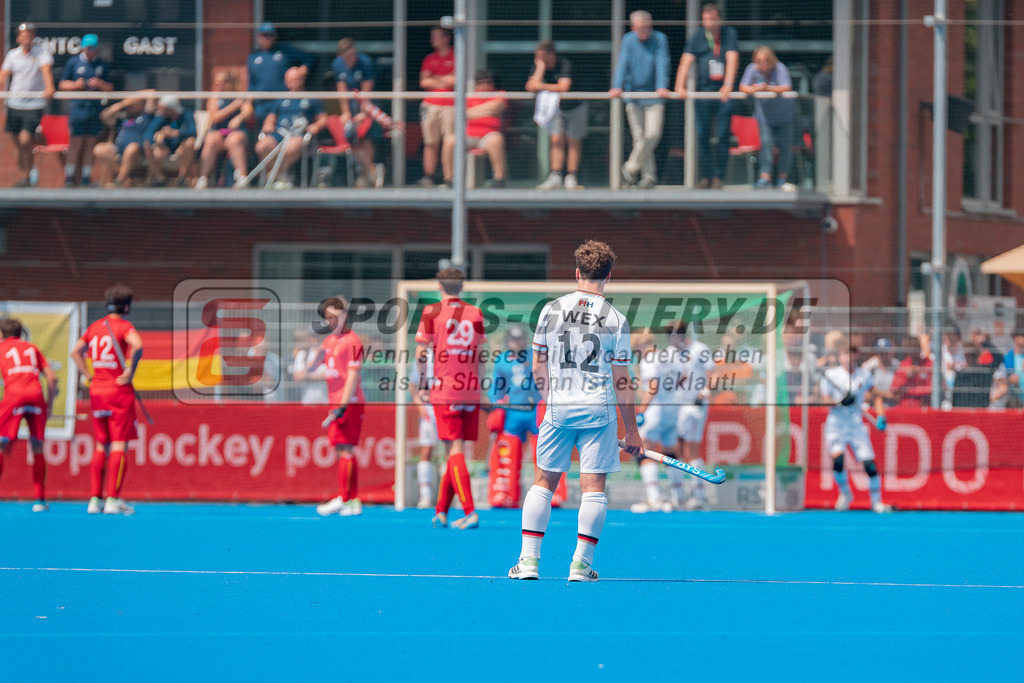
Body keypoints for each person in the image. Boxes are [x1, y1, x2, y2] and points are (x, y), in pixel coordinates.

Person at [509, 241, 643, 582]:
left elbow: (538, 362)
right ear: (608, 276)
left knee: (543, 483)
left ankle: (528, 562)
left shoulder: (551, 309)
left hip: (559, 407)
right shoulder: (616, 318)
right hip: (598, 410)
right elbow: (622, 379)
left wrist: (549, 397)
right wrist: (632, 431)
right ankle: (581, 565)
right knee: (593, 488)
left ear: (577, 273)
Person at [415, 267, 486, 529]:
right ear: (463, 286)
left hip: (445, 388)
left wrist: (423, 383)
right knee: (453, 452)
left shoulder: (431, 311)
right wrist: (481, 388)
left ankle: (469, 511)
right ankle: (441, 510)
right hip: (470, 387)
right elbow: (480, 356)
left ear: (439, 285)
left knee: (453, 450)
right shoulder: (475, 312)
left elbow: (421, 353)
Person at [70, 283, 143, 515]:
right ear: (127, 306)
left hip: (97, 392)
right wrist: (131, 370)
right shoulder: (124, 326)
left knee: (101, 444)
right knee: (120, 444)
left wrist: (89, 376)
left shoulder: (94, 327)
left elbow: (75, 352)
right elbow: (139, 345)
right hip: (118, 392)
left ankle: (94, 500)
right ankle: (113, 499)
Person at [295, 297, 365, 516]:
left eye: (335, 316)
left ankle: (345, 498)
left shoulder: (353, 341)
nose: (331, 321)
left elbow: (353, 375)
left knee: (346, 448)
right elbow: (308, 369)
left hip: (348, 403)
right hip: (335, 401)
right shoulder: (329, 342)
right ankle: (351, 500)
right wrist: (312, 350)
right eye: (328, 317)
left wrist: (343, 405)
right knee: (341, 449)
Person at [674, 3, 738, 189]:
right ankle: (706, 175)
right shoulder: (697, 35)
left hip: (723, 95)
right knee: (701, 135)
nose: (709, 22)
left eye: (712, 18)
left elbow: (732, 59)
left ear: (719, 18)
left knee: (722, 135)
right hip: (702, 94)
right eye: (705, 18)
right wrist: (680, 85)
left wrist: (727, 85)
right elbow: (686, 60)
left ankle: (719, 176)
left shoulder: (729, 34)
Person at [819, 348, 891, 513]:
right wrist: (840, 402)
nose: (847, 358)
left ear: (856, 356)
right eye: (844, 354)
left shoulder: (864, 375)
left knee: (869, 465)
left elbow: (875, 395)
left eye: (851, 354)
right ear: (840, 356)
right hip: (836, 425)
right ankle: (845, 494)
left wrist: (880, 414)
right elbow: (825, 400)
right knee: (838, 462)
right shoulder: (831, 375)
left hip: (856, 426)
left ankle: (876, 502)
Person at [0, 318, 58, 512]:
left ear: (2, 334)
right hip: (35, 394)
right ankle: (40, 500)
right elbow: (52, 377)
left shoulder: (1, 348)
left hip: (13, 395)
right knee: (37, 447)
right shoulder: (32, 347)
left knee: (1, 444)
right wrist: (49, 405)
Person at [609, 10, 671, 189]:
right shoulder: (628, 39)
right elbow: (623, 62)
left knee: (652, 135)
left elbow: (662, 61)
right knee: (639, 138)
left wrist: (662, 85)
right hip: (633, 96)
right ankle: (649, 176)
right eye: (640, 28)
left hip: (654, 97)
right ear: (633, 27)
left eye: (647, 27)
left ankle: (631, 165)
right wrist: (617, 85)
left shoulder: (660, 39)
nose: (644, 30)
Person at [0, 23, 55, 187]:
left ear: (33, 37)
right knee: (17, 143)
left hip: (33, 105)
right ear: (18, 38)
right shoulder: (12, 55)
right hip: (14, 104)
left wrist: (50, 87)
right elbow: (3, 74)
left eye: (29, 35)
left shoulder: (42, 52)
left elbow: (46, 71)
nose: (26, 38)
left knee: (25, 140)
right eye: (23, 35)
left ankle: (29, 174)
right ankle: (25, 176)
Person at [253, 66, 326, 189]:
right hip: (279, 134)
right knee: (262, 146)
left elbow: (323, 118)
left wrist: (316, 126)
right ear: (286, 82)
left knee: (294, 145)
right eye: (292, 79)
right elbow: (271, 117)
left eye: (298, 78)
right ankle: (282, 175)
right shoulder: (281, 99)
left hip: (299, 135)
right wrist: (268, 124)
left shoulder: (312, 98)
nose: (296, 82)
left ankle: (275, 173)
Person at [528, 40, 587, 190]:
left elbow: (564, 87)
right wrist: (540, 68)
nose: (539, 60)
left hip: (575, 106)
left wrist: (540, 86)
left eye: (542, 57)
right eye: (538, 57)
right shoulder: (539, 66)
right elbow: (530, 87)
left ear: (551, 55)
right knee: (556, 139)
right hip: (555, 108)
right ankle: (555, 175)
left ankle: (571, 176)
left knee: (573, 141)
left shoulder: (564, 63)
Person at [630, 329, 678, 513]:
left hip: (656, 411)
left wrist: (641, 410)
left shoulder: (648, 360)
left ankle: (654, 498)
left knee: (643, 450)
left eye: (636, 349)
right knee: (671, 453)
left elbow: (652, 388)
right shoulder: (665, 357)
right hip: (671, 410)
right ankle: (678, 498)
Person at [738, 45, 796, 190]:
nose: (762, 64)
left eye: (765, 61)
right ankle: (765, 179)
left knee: (785, 147)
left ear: (771, 60)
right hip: (764, 118)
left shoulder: (780, 68)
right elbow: (742, 87)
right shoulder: (752, 68)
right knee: (766, 146)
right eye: (758, 61)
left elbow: (786, 86)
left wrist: (768, 88)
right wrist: (755, 89)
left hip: (784, 116)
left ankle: (782, 179)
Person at [58, 34, 113, 187]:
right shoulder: (73, 62)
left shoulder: (102, 64)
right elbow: (62, 85)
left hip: (94, 110)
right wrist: (76, 85)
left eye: (93, 48)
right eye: (88, 48)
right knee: (75, 143)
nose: (90, 51)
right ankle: (69, 177)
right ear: (83, 48)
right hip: (78, 109)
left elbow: (110, 88)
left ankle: (86, 178)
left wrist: (100, 83)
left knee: (90, 143)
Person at [333, 38, 384, 189]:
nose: (351, 59)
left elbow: (366, 90)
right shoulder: (337, 64)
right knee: (353, 140)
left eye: (353, 55)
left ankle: (364, 175)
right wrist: (345, 112)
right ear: (341, 56)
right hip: (351, 104)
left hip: (367, 104)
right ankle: (371, 172)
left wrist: (363, 113)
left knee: (365, 139)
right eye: (347, 56)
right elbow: (341, 89)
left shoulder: (365, 62)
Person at [443, 70, 508, 188]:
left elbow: (497, 106)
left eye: (488, 82)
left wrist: (474, 111)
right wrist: (488, 111)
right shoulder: (469, 96)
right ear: (476, 84)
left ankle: (499, 179)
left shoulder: (499, 94)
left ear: (493, 84)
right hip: (468, 136)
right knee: (449, 140)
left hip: (488, 136)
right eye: (481, 83)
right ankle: (449, 180)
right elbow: (463, 114)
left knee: (496, 140)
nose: (484, 85)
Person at [246, 23, 313, 125]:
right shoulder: (253, 57)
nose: (267, 38)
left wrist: (304, 69)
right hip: (261, 103)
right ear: (258, 37)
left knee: (283, 128)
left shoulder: (285, 52)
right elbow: (252, 83)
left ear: (275, 36)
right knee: (262, 130)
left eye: (270, 35)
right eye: (264, 35)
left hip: (282, 101)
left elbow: (309, 57)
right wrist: (248, 102)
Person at [196, 69, 252, 190]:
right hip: (219, 134)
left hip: (236, 133)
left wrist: (239, 117)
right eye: (215, 83)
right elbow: (215, 117)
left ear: (229, 84)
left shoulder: (240, 96)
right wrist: (234, 106)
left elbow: (248, 111)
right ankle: (203, 179)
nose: (216, 86)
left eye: (220, 83)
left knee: (234, 139)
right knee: (210, 139)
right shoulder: (214, 97)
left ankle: (242, 177)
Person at [417, 26, 455, 187]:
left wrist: (435, 79)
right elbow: (424, 82)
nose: (433, 39)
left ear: (446, 38)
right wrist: (444, 79)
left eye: (437, 36)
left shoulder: (457, 55)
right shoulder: (429, 59)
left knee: (449, 141)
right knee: (430, 142)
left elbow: (456, 80)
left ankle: (449, 178)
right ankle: (429, 176)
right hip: (430, 105)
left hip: (451, 105)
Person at [94, 92, 156, 187]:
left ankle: (120, 179)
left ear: (141, 104)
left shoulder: (146, 116)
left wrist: (133, 98)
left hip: (138, 151)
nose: (130, 106)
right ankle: (126, 178)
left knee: (131, 148)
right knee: (99, 149)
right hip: (119, 150)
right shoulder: (123, 118)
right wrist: (123, 104)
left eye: (133, 104)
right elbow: (104, 116)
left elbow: (152, 92)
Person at [144, 96, 197, 187]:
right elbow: (148, 134)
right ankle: (160, 178)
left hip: (181, 148)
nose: (159, 110)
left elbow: (193, 131)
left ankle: (182, 178)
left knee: (190, 142)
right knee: (147, 144)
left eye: (162, 108)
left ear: (169, 109)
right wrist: (157, 146)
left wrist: (176, 133)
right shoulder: (161, 117)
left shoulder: (186, 115)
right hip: (165, 148)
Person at [410, 350, 440, 508]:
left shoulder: (449, 350)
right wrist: (419, 403)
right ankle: (426, 496)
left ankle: (450, 495)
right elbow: (413, 384)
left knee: (452, 450)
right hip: (428, 409)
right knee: (426, 450)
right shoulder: (424, 355)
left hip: (446, 406)